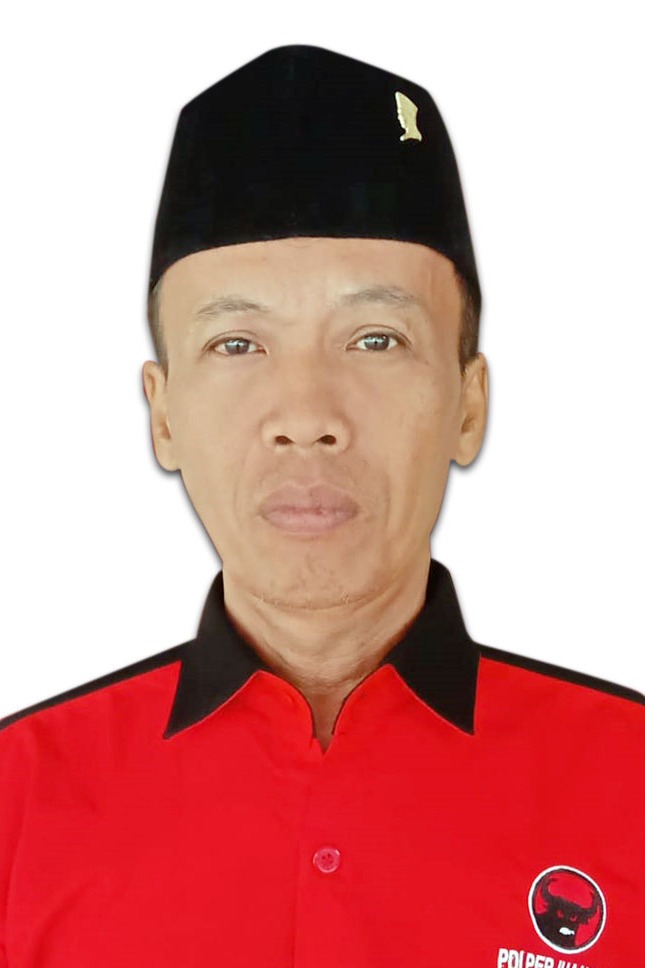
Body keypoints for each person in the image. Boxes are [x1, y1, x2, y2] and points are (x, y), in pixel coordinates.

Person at [0, 44, 642, 968]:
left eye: (375, 339)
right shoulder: (20, 803)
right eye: (235, 344)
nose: (305, 416)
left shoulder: (629, 783)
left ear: (467, 405)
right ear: (163, 414)